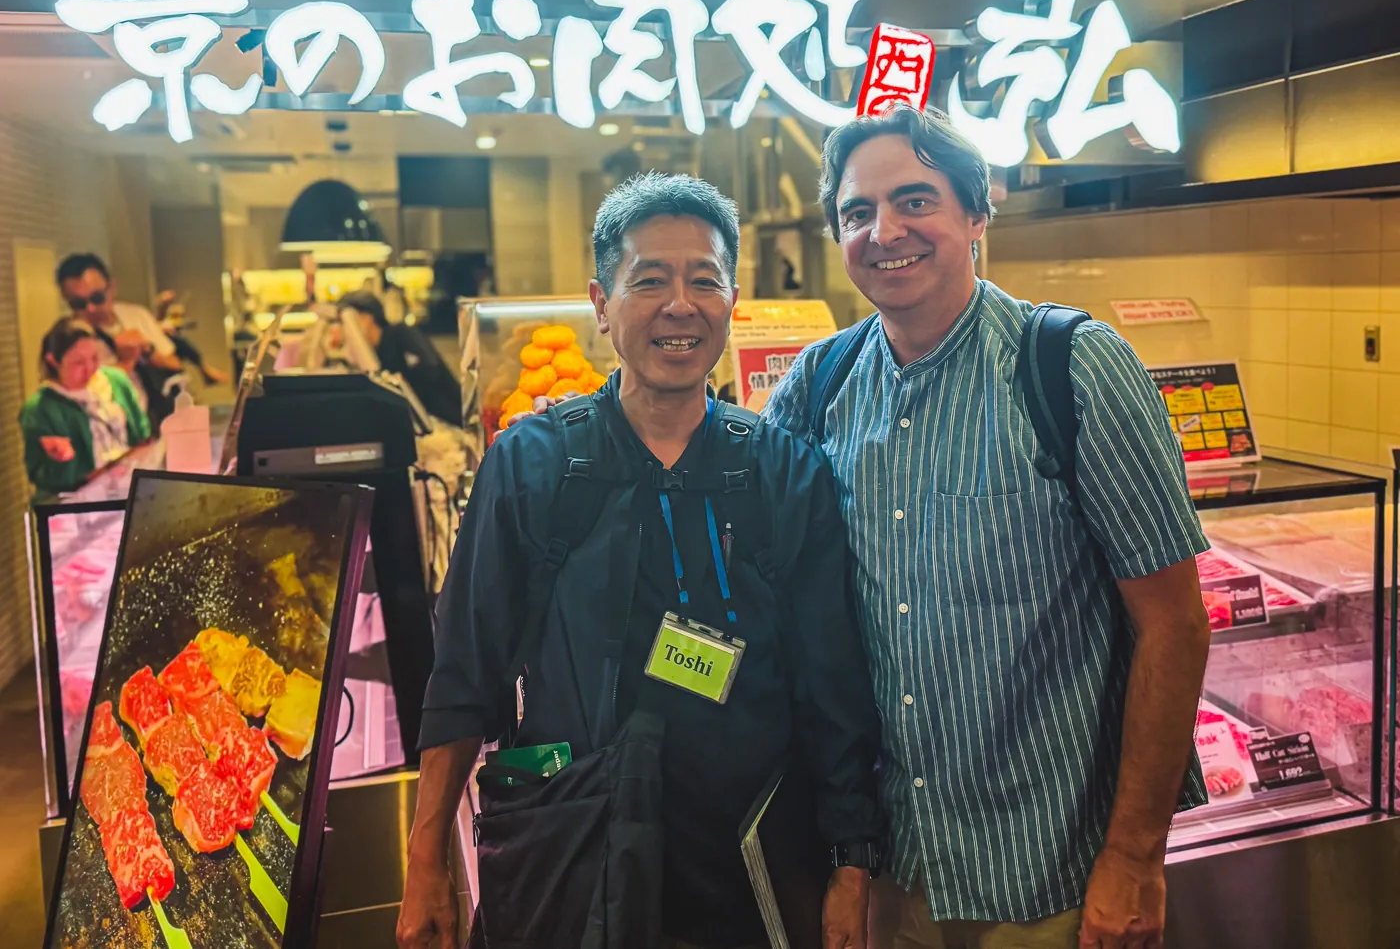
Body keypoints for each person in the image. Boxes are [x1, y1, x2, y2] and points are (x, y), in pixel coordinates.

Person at [762, 106, 1211, 949]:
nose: (885, 232)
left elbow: (1175, 625)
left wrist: (1134, 856)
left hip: (1046, 877)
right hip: (888, 869)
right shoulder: (819, 383)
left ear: (976, 214)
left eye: (915, 200)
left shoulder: (1071, 366)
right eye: (858, 212)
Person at [396, 173, 883, 949]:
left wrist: (851, 866)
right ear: (602, 303)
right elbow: (463, 675)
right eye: (649, 280)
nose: (679, 305)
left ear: (732, 301)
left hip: (747, 869)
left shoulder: (784, 472)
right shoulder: (533, 465)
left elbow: (834, 690)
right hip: (569, 866)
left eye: (704, 281)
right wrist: (425, 862)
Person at [20, 317, 150, 494]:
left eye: (94, 358)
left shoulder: (116, 381)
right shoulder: (40, 408)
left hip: (129, 487)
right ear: (53, 361)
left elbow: (142, 433)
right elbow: (40, 475)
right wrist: (60, 460)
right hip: (83, 500)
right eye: (79, 363)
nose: (90, 369)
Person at [56, 253, 183, 422]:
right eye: (78, 304)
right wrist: (125, 362)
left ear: (112, 288)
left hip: (153, 417)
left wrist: (147, 350)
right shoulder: (68, 339)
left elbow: (175, 364)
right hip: (109, 426)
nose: (91, 308)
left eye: (97, 298)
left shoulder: (136, 315)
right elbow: (83, 397)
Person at [338, 289, 463, 424]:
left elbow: (429, 370)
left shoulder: (401, 334)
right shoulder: (370, 354)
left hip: (447, 421)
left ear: (366, 318)